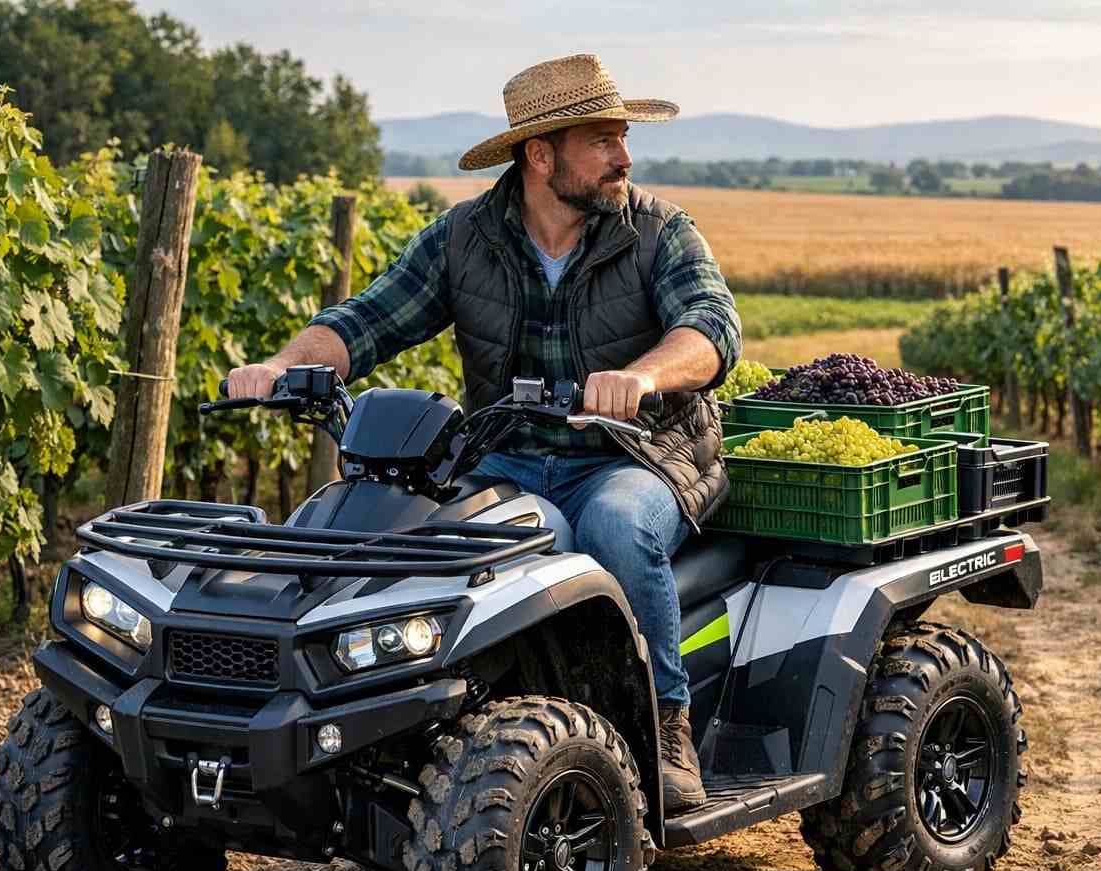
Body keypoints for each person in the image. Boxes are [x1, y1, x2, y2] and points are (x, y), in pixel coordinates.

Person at [226, 53, 741, 812]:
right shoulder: (464, 237)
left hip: (638, 457)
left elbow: (711, 328)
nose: (623, 157)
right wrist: (281, 365)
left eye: (623, 137)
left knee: (615, 525)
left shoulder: (659, 232)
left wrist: (643, 377)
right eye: (603, 140)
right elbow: (369, 320)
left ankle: (667, 723)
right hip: (506, 456)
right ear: (542, 155)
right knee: (412, 530)